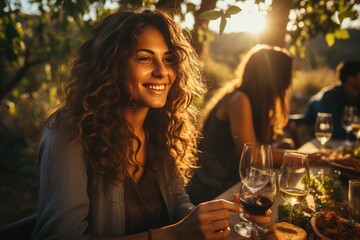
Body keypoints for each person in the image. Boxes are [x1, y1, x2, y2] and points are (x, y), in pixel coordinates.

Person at [31, 9, 252, 240]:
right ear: (110, 64)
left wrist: (210, 219)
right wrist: (174, 235)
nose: (162, 71)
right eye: (145, 58)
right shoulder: (69, 133)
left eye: (168, 59)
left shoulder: (162, 126)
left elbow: (177, 202)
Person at [187, 45, 293, 205]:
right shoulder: (239, 99)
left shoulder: (252, 100)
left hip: (231, 180)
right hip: (212, 186)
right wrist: (305, 158)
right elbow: (253, 156)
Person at [301, 60, 360, 139]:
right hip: (318, 142)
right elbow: (334, 130)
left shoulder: (356, 97)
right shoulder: (329, 97)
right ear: (350, 78)